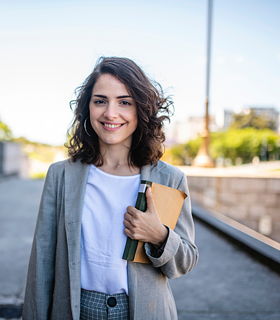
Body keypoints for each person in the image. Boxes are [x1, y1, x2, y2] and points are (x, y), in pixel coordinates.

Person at [23, 57, 199, 320]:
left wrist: (159, 235)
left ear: (141, 109)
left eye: (124, 102)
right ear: (87, 108)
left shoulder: (169, 178)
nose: (110, 113)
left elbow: (184, 262)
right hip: (74, 310)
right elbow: (42, 262)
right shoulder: (61, 176)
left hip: (143, 312)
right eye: (100, 100)